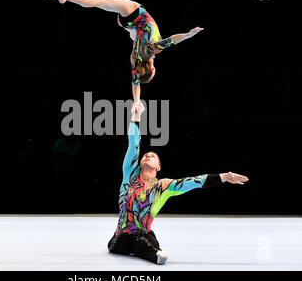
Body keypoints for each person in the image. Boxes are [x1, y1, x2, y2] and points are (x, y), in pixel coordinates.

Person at [107, 101, 249, 265]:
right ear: (138, 164)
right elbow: (134, 144)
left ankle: (152, 251)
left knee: (147, 238)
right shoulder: (130, 175)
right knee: (132, 240)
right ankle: (153, 254)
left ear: (158, 167)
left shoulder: (163, 186)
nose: (147, 156)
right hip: (120, 238)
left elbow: (192, 182)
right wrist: (135, 116)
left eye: (152, 156)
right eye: (146, 155)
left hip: (144, 233)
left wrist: (224, 176)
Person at [45, 0, 204, 104]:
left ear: (154, 69)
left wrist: (189, 34)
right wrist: (136, 102)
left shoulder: (153, 50)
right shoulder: (135, 58)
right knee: (110, 13)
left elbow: (172, 40)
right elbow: (135, 83)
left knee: (99, 1)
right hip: (126, 24)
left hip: (135, 12)